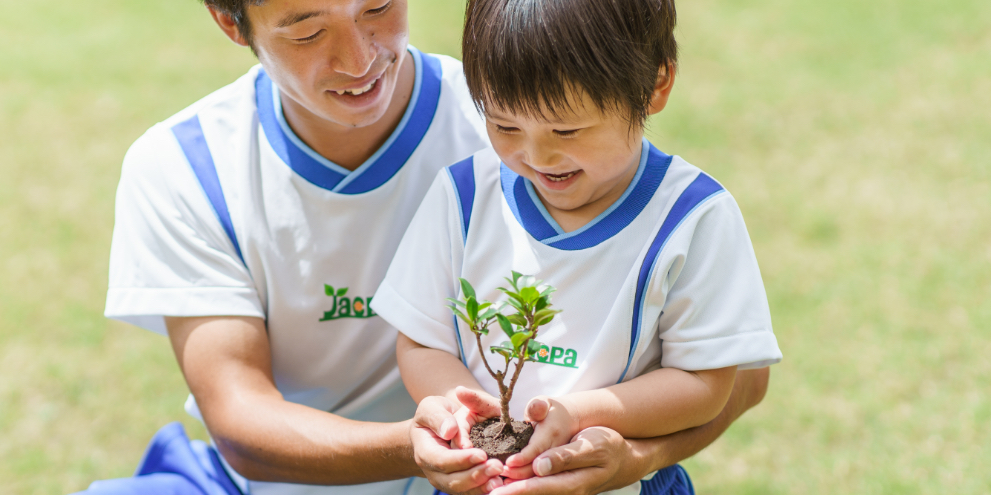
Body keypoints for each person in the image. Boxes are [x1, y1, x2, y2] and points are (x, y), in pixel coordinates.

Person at [77, 0, 774, 494]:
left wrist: (628, 456)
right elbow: (239, 419)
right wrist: (460, 443)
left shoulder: (514, 111)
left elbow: (735, 374)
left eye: (378, 7)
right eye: (307, 29)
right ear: (232, 22)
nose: (358, 58)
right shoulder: (184, 164)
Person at [370, 0, 783, 493]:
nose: (537, 156)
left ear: (655, 84)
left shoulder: (692, 217)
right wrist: (460, 412)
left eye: (567, 130)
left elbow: (704, 384)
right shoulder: (462, 196)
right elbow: (421, 340)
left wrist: (581, 415)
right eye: (505, 126)